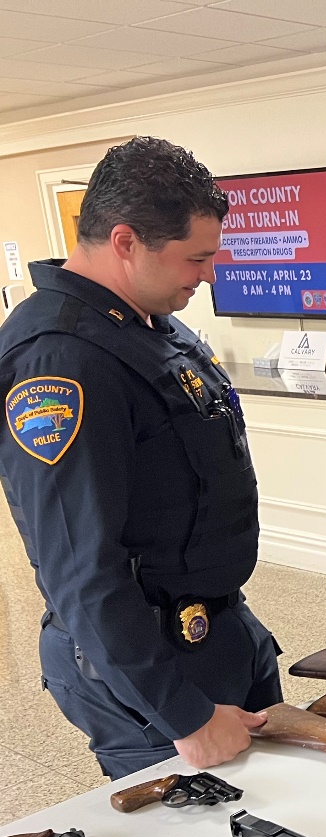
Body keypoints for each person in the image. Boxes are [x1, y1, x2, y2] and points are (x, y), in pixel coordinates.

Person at [0, 136, 279, 779]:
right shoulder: (62, 357)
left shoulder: (151, 323)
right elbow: (80, 570)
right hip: (148, 671)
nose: (207, 276)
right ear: (126, 242)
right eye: (196, 259)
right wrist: (184, 716)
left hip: (216, 630)